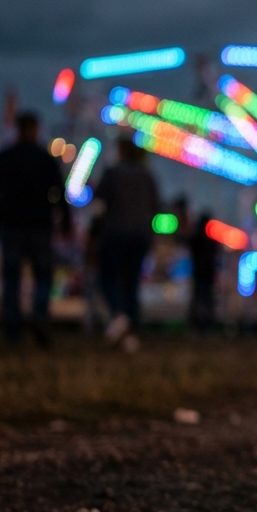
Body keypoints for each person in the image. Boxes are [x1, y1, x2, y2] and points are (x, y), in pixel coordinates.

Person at [0, 110, 72, 346]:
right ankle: (38, 316)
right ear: (35, 129)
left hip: (12, 225)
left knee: (11, 279)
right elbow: (59, 193)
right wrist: (65, 221)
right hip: (40, 225)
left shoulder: (4, 158)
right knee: (43, 276)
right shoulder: (44, 159)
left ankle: (13, 331)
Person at [94, 137, 158, 352]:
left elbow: (99, 198)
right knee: (131, 283)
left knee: (107, 280)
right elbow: (156, 206)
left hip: (116, 233)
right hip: (141, 235)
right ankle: (131, 329)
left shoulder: (113, 173)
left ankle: (120, 319)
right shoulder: (147, 175)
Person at [188, 212, 219, 331]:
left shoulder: (196, 239)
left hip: (200, 274)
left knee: (200, 298)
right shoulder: (210, 241)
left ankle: (199, 322)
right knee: (205, 298)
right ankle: (204, 323)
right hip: (205, 274)